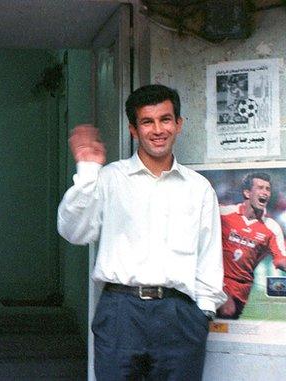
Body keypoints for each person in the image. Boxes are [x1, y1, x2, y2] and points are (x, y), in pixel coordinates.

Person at [57, 84, 226, 380]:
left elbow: (209, 255)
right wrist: (87, 170)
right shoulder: (110, 178)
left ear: (178, 124)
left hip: (180, 315)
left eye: (165, 119)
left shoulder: (198, 188)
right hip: (120, 312)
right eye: (147, 121)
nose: (158, 129)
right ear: (134, 130)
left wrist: (203, 315)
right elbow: (73, 231)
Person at [218, 172, 286, 319]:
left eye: (268, 189)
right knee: (225, 311)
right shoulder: (224, 213)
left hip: (241, 291)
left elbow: (281, 259)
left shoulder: (271, 227)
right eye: (260, 187)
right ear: (247, 192)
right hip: (216, 283)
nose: (265, 192)